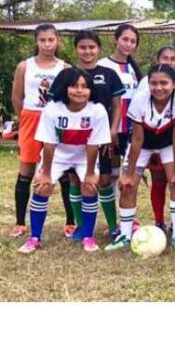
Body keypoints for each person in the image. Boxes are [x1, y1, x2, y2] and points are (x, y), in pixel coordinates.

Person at [18, 68, 111, 253]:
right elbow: (50, 144)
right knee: (42, 187)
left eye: (85, 87)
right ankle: (35, 238)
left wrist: (91, 174)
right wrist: (45, 174)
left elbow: (94, 146)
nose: (79, 91)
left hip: (84, 155)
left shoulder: (97, 110)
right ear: (64, 87)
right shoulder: (52, 109)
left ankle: (88, 236)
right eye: (74, 86)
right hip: (58, 155)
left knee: (89, 187)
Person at [106, 64, 175, 252]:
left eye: (164, 83)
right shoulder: (140, 99)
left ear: (174, 84)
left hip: (169, 143)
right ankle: (125, 234)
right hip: (142, 145)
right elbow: (137, 139)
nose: (158, 88)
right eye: (154, 83)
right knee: (128, 185)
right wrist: (128, 173)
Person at [49, 30, 125, 240]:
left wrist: (112, 130)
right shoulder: (67, 75)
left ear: (99, 49)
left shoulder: (109, 74)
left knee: (104, 180)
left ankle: (112, 226)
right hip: (74, 139)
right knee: (76, 181)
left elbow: (117, 105)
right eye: (83, 47)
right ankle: (81, 228)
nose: (87, 51)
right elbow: (54, 105)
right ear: (76, 49)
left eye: (92, 47)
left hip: (102, 138)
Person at [10, 23, 72, 238]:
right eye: (43, 40)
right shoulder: (24, 66)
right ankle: (20, 223)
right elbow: (17, 97)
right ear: (36, 42)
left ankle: (70, 221)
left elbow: (68, 97)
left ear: (57, 41)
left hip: (56, 120)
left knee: (63, 169)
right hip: (31, 118)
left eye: (51, 40)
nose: (47, 44)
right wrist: (24, 117)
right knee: (26, 170)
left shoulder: (64, 68)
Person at [97, 24, 142, 232]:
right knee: (106, 177)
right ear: (115, 40)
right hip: (108, 129)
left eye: (133, 41)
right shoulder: (102, 65)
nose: (128, 44)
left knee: (125, 175)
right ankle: (112, 222)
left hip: (131, 131)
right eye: (125, 39)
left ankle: (126, 218)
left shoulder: (135, 69)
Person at [136, 45, 175, 231]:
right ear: (158, 61)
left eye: (173, 59)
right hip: (150, 139)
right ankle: (159, 221)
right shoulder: (146, 85)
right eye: (165, 58)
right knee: (158, 179)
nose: (169, 62)